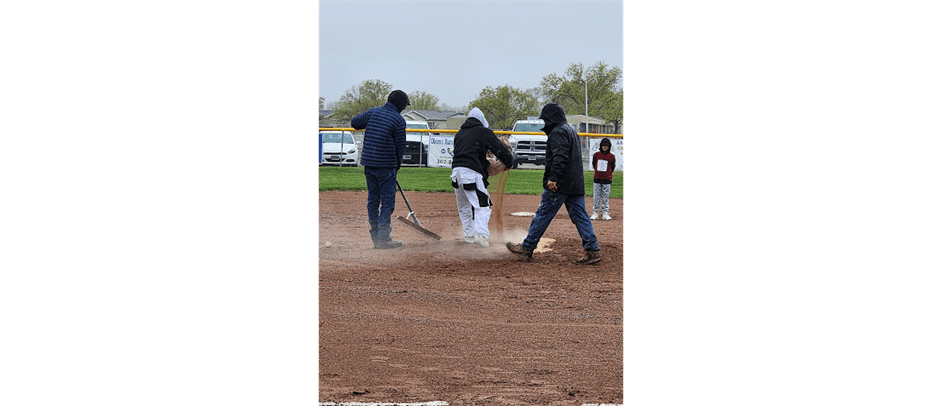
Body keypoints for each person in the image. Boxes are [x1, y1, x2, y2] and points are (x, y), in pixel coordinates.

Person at [506, 103, 602, 265]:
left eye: (546, 119)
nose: (545, 123)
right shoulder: (570, 130)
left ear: (551, 118)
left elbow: (560, 157)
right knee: (580, 216)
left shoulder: (558, 132)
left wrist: (553, 178)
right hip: (575, 183)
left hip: (560, 184)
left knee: (543, 214)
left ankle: (527, 248)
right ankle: (593, 250)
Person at [351, 90, 410, 249]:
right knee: (387, 202)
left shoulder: (373, 112)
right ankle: (383, 238)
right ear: (400, 105)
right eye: (404, 105)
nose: (404, 108)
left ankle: (376, 236)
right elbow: (400, 148)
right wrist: (396, 167)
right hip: (386, 166)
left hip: (369, 164)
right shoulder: (398, 120)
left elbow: (354, 123)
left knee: (373, 200)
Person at [450, 107, 513, 247]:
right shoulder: (483, 132)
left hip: (456, 173)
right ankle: (481, 235)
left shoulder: (460, 134)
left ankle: (469, 235)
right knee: (483, 205)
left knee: (464, 207)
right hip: (471, 173)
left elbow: (473, 153)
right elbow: (498, 148)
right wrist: (509, 161)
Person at [590, 138, 616, 221]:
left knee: (605, 196)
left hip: (607, 179)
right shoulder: (596, 155)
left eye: (606, 146)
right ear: (601, 146)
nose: (605, 147)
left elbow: (612, 166)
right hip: (597, 178)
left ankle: (605, 213)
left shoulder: (611, 156)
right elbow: (594, 164)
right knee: (596, 196)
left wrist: (608, 173)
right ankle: (595, 212)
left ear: (609, 147)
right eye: (603, 145)